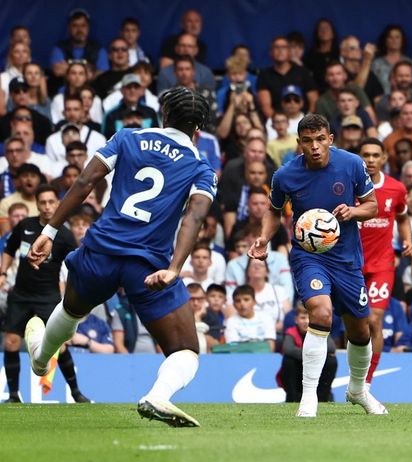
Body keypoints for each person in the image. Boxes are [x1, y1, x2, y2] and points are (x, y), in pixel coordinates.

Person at [24, 87, 216, 427]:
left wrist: (49, 231)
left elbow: (85, 181)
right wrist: (174, 269)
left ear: (164, 115)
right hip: (147, 264)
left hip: (101, 251)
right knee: (186, 349)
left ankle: (40, 358)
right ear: (198, 128)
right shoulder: (200, 166)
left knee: (72, 310)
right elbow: (195, 217)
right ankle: (158, 395)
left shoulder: (127, 137)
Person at [249, 113, 386, 417]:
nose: (314, 147)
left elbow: (372, 205)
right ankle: (308, 396)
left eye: (320, 140)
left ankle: (358, 389)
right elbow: (273, 211)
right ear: (299, 143)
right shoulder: (285, 175)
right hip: (308, 256)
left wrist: (353, 211)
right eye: (308, 141)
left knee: (361, 331)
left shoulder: (351, 164)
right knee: (321, 312)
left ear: (330, 140)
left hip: (347, 259)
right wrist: (263, 238)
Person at [1, 185, 90, 403]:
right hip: (21, 294)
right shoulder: (25, 226)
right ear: (38, 204)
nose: (47, 206)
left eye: (51, 202)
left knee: (60, 345)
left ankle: (76, 392)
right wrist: (3, 272)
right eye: (43, 202)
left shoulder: (66, 235)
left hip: (48, 296)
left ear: (58, 204)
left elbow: (77, 264)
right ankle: (13, 395)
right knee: (11, 342)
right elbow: (9, 250)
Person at [358, 138, 412, 389]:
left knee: (374, 319)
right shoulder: (348, 186)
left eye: (375, 155)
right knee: (355, 323)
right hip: (352, 264)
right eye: (365, 155)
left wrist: (408, 240)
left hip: (382, 263)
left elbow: (402, 217)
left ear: (383, 159)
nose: (370, 160)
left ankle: (367, 382)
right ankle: (353, 373)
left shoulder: (396, 189)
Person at [279, 305, 337, 403]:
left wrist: (308, 355)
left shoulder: (321, 331)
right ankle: (292, 398)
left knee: (331, 360)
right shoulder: (291, 332)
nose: (306, 321)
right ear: (296, 319)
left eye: (309, 318)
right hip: (298, 374)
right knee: (288, 360)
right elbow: (288, 349)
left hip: (317, 373)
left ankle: (322, 399)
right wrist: (314, 355)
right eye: (303, 318)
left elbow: (331, 348)